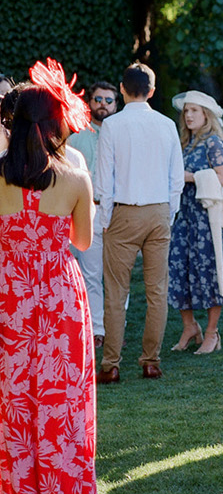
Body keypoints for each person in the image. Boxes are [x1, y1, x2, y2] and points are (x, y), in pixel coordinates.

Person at [0, 62, 97, 494]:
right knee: (61, 398)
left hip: (9, 296)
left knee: (13, 396)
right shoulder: (76, 179)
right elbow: (82, 242)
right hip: (58, 296)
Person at [94, 63, 185, 382]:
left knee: (116, 292)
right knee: (156, 290)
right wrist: (168, 212)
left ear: (121, 88)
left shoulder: (113, 126)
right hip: (159, 210)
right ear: (153, 90)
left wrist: (105, 219)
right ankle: (150, 360)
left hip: (123, 212)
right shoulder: (166, 125)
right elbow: (177, 177)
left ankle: (111, 364)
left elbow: (104, 179)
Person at [167, 91, 223, 353]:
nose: (188, 115)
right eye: (186, 111)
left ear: (206, 116)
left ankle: (212, 332)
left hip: (208, 220)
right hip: (186, 218)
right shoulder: (184, 143)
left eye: (194, 111)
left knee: (213, 273)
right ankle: (190, 327)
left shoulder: (213, 142)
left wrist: (186, 177)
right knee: (179, 270)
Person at [67, 80, 118, 347]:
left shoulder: (121, 135)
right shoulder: (77, 136)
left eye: (109, 101)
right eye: (98, 99)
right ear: (90, 103)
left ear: (116, 104)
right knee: (90, 272)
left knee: (116, 274)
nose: (103, 105)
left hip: (116, 209)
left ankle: (114, 328)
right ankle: (96, 330)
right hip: (86, 210)